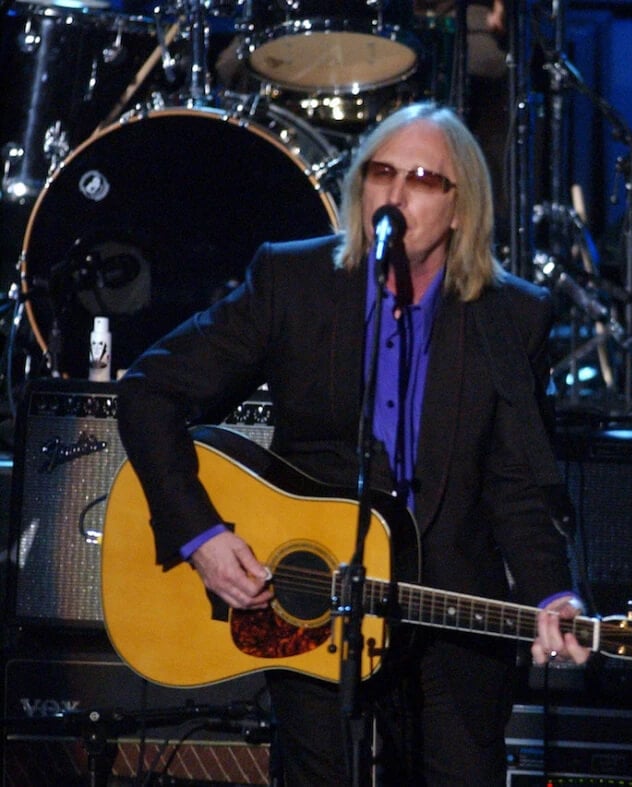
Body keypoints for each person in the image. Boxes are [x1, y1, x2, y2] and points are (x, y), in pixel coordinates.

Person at [116, 101, 589, 785]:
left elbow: (518, 482)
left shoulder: (511, 314)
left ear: (462, 209)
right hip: (313, 607)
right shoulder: (293, 281)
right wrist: (202, 536)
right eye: (381, 172)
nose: (394, 195)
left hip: (449, 614)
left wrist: (552, 594)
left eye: (423, 178)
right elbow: (149, 390)